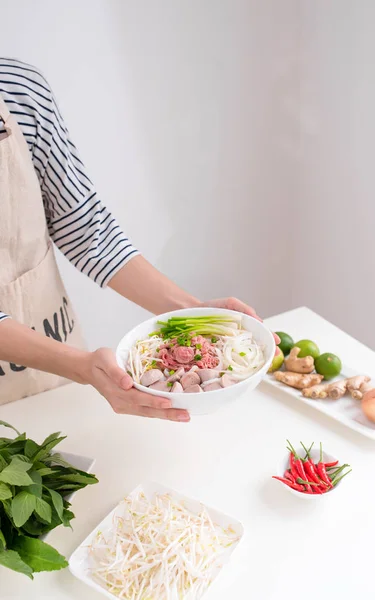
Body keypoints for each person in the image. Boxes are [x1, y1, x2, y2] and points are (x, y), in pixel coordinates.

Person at [0, 58, 278, 421]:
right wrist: (81, 366)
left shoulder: (18, 89)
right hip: (68, 364)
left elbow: (86, 228)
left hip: (55, 367)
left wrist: (191, 317)